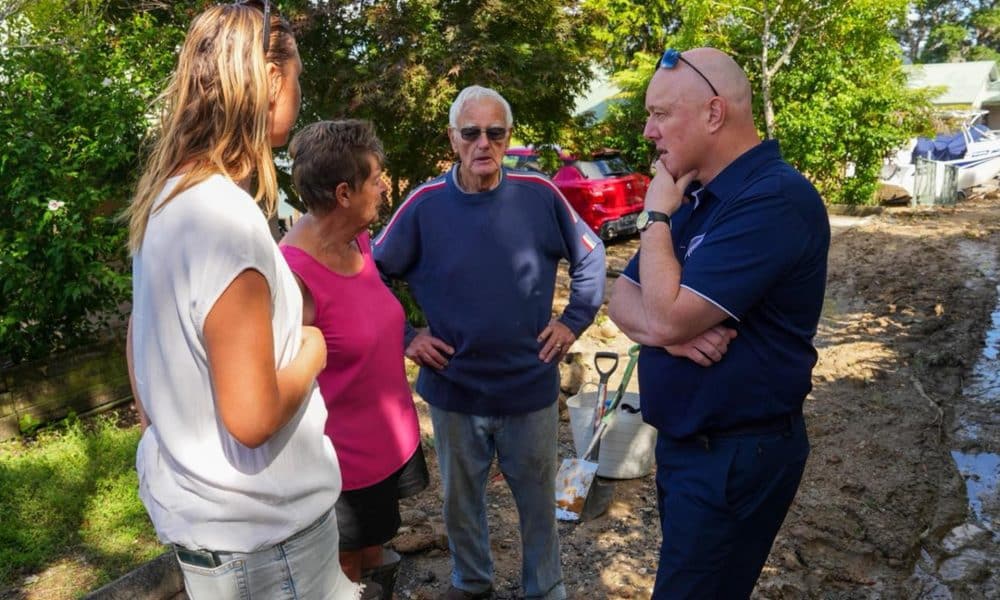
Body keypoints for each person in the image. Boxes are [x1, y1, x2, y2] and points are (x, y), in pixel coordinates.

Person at [124, 3, 360, 598]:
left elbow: (139, 336)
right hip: (269, 547)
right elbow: (253, 417)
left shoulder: (168, 200)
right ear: (271, 80)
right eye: (298, 78)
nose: (300, 93)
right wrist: (310, 349)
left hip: (220, 537)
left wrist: (175, 435)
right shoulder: (224, 219)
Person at [607, 48, 830, 598]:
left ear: (713, 113)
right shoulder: (697, 192)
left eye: (660, 114)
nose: (647, 131)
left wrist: (655, 218)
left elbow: (661, 312)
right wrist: (670, 335)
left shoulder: (772, 199)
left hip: (735, 456)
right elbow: (622, 300)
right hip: (691, 448)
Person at [373, 85, 606, 600]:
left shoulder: (538, 194)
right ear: (453, 138)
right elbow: (372, 272)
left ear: (507, 138)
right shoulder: (424, 204)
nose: (484, 143)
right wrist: (407, 336)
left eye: (495, 133)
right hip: (456, 391)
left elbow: (590, 256)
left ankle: (544, 588)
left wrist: (573, 321)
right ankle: (472, 582)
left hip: (529, 386)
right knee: (460, 502)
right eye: (472, 132)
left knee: (538, 502)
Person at [279, 119, 429, 600]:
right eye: (376, 178)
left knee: (374, 555)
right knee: (341, 572)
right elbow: (284, 382)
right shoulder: (292, 276)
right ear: (344, 193)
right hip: (339, 468)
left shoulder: (359, 239)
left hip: (386, 444)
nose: (385, 186)